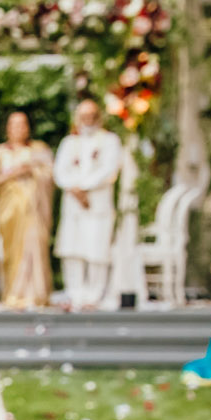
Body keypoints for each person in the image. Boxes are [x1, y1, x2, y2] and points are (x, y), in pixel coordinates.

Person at [53, 96, 135, 310]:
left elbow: (109, 170)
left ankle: (93, 295)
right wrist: (76, 189)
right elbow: (59, 171)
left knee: (97, 250)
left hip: (97, 204)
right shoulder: (69, 142)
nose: (87, 120)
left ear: (98, 117)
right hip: (73, 204)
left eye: (91, 116)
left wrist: (85, 187)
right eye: (83, 116)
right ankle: (75, 293)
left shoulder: (110, 140)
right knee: (72, 250)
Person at [0, 109, 53, 307]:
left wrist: (33, 170)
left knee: (36, 247)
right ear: (7, 128)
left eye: (23, 124)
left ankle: (38, 293)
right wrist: (16, 172)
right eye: (14, 124)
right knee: (13, 250)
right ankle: (14, 293)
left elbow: (50, 175)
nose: (19, 129)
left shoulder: (39, 149)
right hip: (11, 211)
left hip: (35, 209)